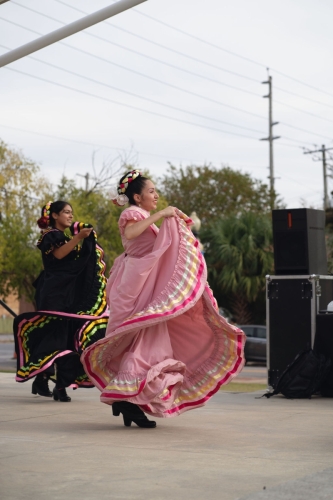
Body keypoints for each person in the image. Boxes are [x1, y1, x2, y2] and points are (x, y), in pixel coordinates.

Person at [82, 170, 245, 427]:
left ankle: (128, 402)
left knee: (147, 339)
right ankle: (126, 400)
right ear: (137, 196)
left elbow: (163, 246)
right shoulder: (132, 214)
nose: (156, 196)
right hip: (136, 284)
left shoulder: (146, 216)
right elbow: (133, 234)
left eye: (155, 192)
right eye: (151, 191)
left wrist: (181, 232)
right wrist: (163, 215)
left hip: (144, 282)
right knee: (140, 338)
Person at [14, 200, 108, 402]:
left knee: (66, 337)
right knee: (55, 336)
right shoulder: (50, 236)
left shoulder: (64, 237)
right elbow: (58, 255)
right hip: (53, 293)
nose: (70, 215)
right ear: (54, 216)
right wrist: (77, 239)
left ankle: (49, 380)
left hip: (67, 292)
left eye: (71, 212)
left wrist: (87, 244)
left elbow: (75, 262)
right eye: (66, 212)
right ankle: (54, 383)